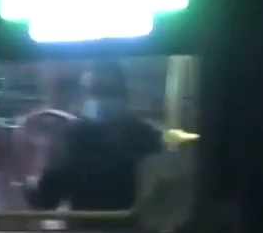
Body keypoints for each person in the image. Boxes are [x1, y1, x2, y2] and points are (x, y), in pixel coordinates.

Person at [27, 61, 164, 214]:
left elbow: (46, 200)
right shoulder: (147, 134)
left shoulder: (74, 135)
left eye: (109, 91)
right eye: (97, 91)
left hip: (95, 230)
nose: (103, 98)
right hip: (124, 230)